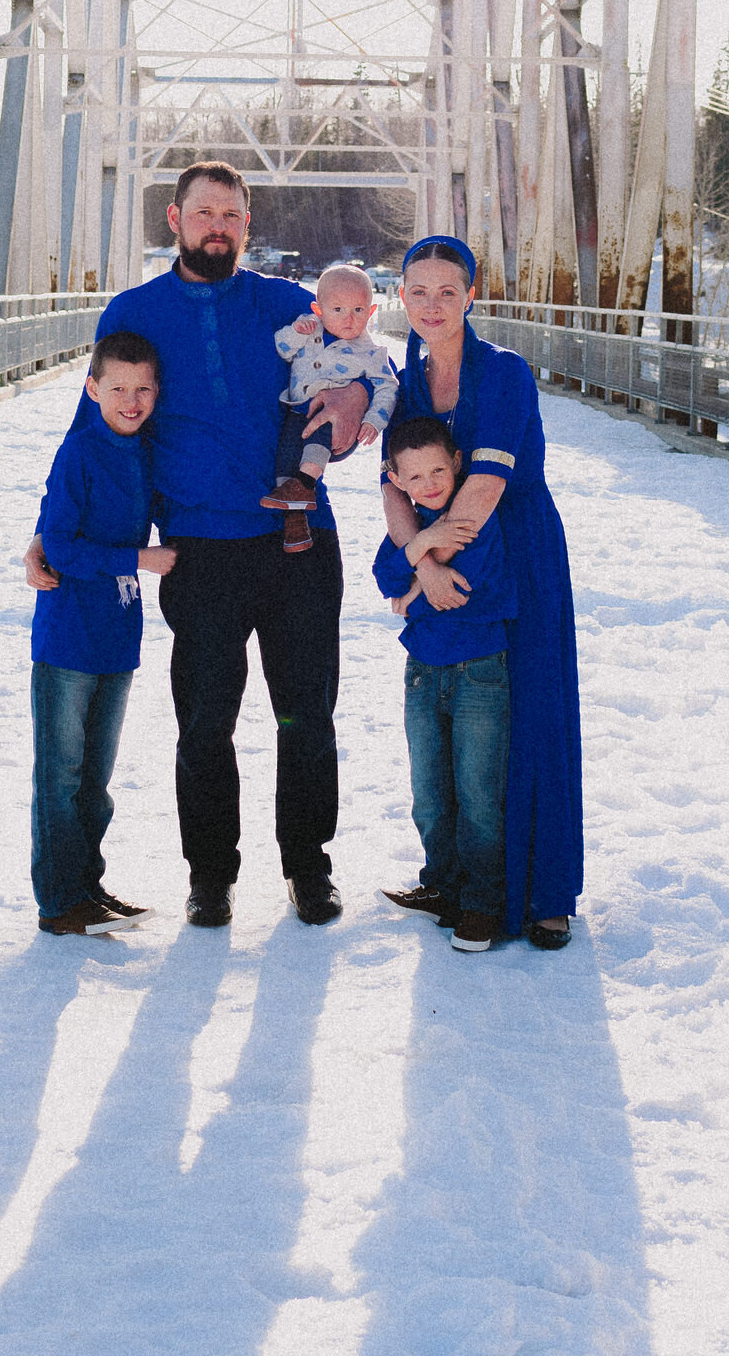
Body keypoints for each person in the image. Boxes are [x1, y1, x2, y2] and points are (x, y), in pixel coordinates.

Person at [24, 164, 372, 930]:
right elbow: (100, 429)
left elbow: (365, 367)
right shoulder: (135, 312)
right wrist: (52, 529)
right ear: (175, 219)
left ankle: (307, 866)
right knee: (205, 723)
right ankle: (210, 875)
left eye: (233, 214)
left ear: (249, 223)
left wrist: (356, 397)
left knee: (304, 714)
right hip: (199, 552)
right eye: (204, 212)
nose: (218, 225)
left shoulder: (293, 308)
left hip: (298, 542)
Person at [382, 235, 583, 951]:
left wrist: (427, 558)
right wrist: (417, 561)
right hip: (439, 549)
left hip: (516, 546)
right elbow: (392, 483)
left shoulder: (503, 372)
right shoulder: (408, 378)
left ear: (472, 296)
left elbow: (487, 487)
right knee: (460, 742)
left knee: (531, 713)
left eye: (447, 292)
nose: (432, 306)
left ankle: (546, 893)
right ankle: (454, 878)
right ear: (400, 297)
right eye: (418, 291)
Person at [29, 332, 175, 938]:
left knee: (96, 778)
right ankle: (60, 902)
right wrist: (137, 559)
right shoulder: (80, 453)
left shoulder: (145, 452)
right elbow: (59, 544)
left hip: (117, 636)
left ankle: (88, 885)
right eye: (118, 388)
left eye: (143, 389)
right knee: (60, 776)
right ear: (92, 390)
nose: (131, 400)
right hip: (69, 637)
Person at [373, 416, 516, 953]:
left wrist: (415, 576)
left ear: (457, 463)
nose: (430, 484)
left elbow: (453, 590)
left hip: (479, 669)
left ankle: (482, 904)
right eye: (415, 477)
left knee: (478, 793)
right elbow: (384, 578)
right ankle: (442, 884)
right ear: (396, 480)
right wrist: (421, 548)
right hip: (422, 672)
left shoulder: (472, 520)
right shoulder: (416, 524)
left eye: (438, 469)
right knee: (429, 792)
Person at [262, 261, 398, 555]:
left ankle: (306, 481)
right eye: (338, 310)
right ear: (319, 309)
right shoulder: (309, 330)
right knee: (284, 459)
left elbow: (389, 385)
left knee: (321, 435)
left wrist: (374, 419)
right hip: (297, 408)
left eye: (358, 310)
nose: (349, 318)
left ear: (371, 312)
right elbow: (282, 349)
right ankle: (294, 522)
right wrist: (296, 331)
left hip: (332, 418)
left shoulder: (371, 353)